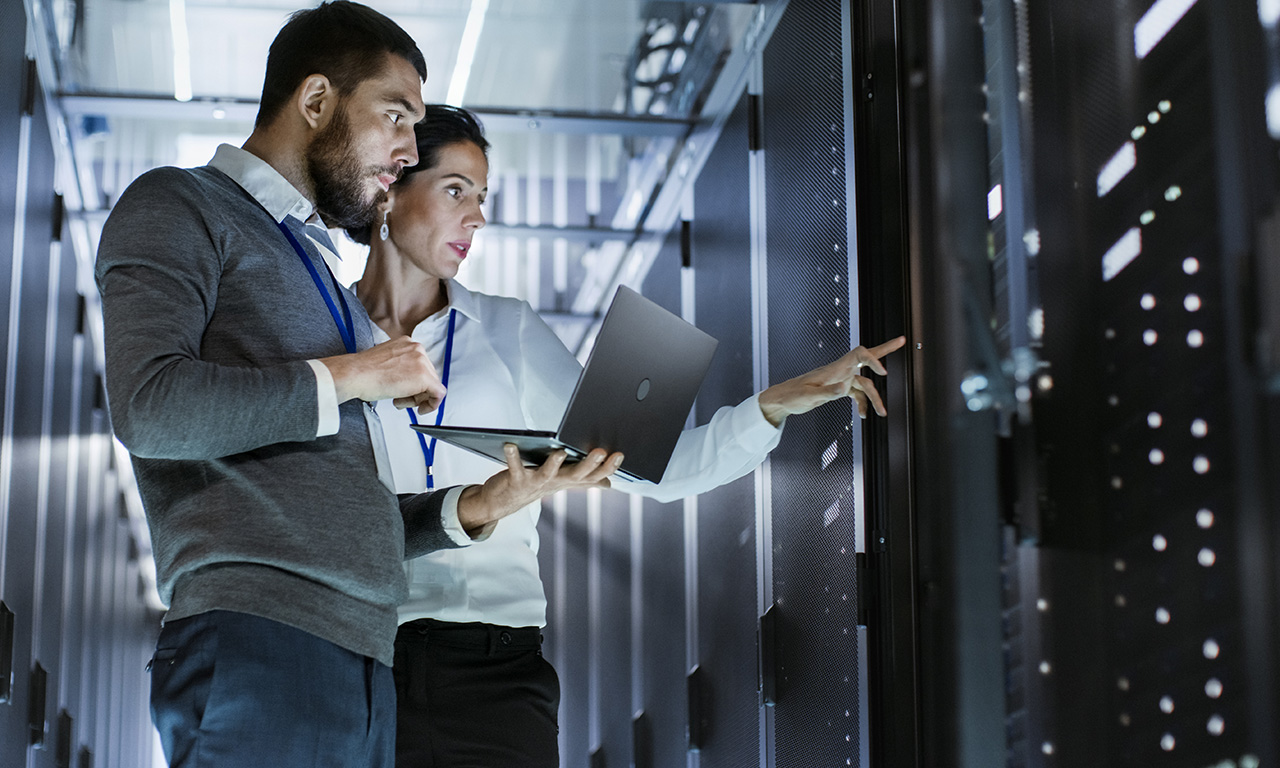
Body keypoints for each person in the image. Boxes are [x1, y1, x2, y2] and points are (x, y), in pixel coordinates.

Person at [94, 6, 619, 767]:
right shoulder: (181, 204)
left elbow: (346, 513)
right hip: (260, 640)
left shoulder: (319, 275)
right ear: (316, 101)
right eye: (395, 116)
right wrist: (357, 373)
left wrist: (479, 506)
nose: (406, 150)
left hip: (365, 661)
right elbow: (151, 407)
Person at [346, 105, 907, 767]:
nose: (477, 218)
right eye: (455, 191)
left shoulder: (507, 330)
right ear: (390, 189)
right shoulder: (325, 340)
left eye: (482, 198)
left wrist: (775, 405)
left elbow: (653, 470)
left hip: (497, 673)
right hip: (359, 661)